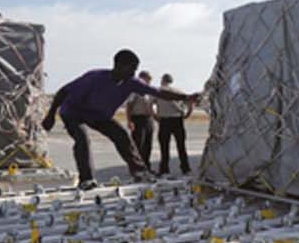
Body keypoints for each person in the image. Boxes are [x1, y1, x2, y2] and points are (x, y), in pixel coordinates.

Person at [41, 49, 199, 188]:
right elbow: (63, 91)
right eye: (131, 69)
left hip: (98, 116)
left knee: (121, 135)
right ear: (118, 65)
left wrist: (186, 97)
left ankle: (140, 172)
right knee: (82, 139)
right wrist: (50, 115)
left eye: (135, 70)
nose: (133, 73)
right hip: (74, 112)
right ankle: (86, 180)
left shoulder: (131, 82)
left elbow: (158, 92)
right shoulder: (94, 77)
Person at [155, 73, 193, 176]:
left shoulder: (159, 91)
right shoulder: (178, 91)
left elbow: (149, 105)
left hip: (165, 120)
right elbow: (190, 102)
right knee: (181, 146)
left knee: (164, 146)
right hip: (178, 120)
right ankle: (185, 168)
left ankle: (164, 169)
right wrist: (188, 114)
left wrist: (155, 116)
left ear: (162, 80)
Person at [126, 71, 156, 166]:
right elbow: (129, 106)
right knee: (138, 144)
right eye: (148, 80)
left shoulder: (148, 92)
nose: (149, 83)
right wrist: (129, 121)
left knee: (148, 144)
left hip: (148, 119)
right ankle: (137, 166)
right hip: (138, 119)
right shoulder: (134, 91)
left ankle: (146, 165)